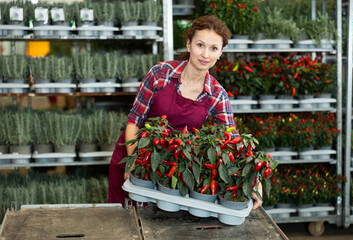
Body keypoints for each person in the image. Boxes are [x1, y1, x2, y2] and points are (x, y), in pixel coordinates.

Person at [108, 15, 263, 210]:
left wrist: (252, 179)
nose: (205, 54)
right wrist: (134, 162)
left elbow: (233, 140)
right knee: (124, 221)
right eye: (200, 45)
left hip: (173, 168)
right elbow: (135, 121)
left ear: (220, 53)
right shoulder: (160, 74)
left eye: (213, 48)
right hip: (135, 155)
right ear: (189, 44)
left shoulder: (217, 95)